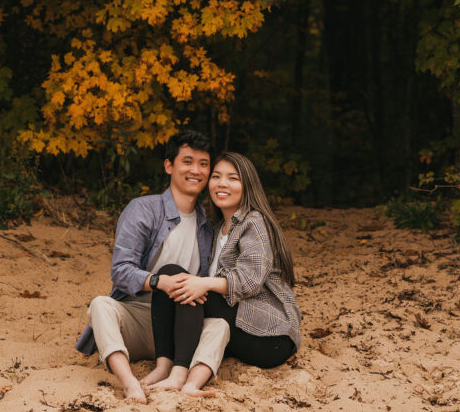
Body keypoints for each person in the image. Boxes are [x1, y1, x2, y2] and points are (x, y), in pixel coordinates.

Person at [75, 130, 229, 404]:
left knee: (220, 326)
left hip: (180, 327)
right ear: (169, 166)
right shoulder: (144, 210)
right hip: (137, 318)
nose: (196, 170)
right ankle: (130, 382)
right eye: (188, 161)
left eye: (203, 164)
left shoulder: (208, 227)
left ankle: (183, 376)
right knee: (100, 305)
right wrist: (159, 282)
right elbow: (121, 270)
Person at [146, 151, 301, 396]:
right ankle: (164, 365)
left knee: (188, 284)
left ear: (247, 185)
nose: (222, 184)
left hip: (270, 337)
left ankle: (178, 372)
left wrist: (202, 283)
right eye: (216, 176)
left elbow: (249, 281)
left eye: (233, 178)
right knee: (172, 277)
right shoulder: (218, 229)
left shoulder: (254, 222)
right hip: (239, 328)